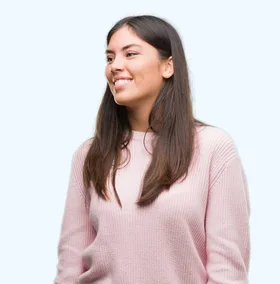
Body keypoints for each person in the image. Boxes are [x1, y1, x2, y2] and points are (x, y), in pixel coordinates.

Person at [54, 15, 251, 284]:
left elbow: (227, 271)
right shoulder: (89, 155)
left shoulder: (213, 148)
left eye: (130, 54)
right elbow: (70, 266)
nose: (115, 66)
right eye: (110, 58)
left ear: (168, 66)